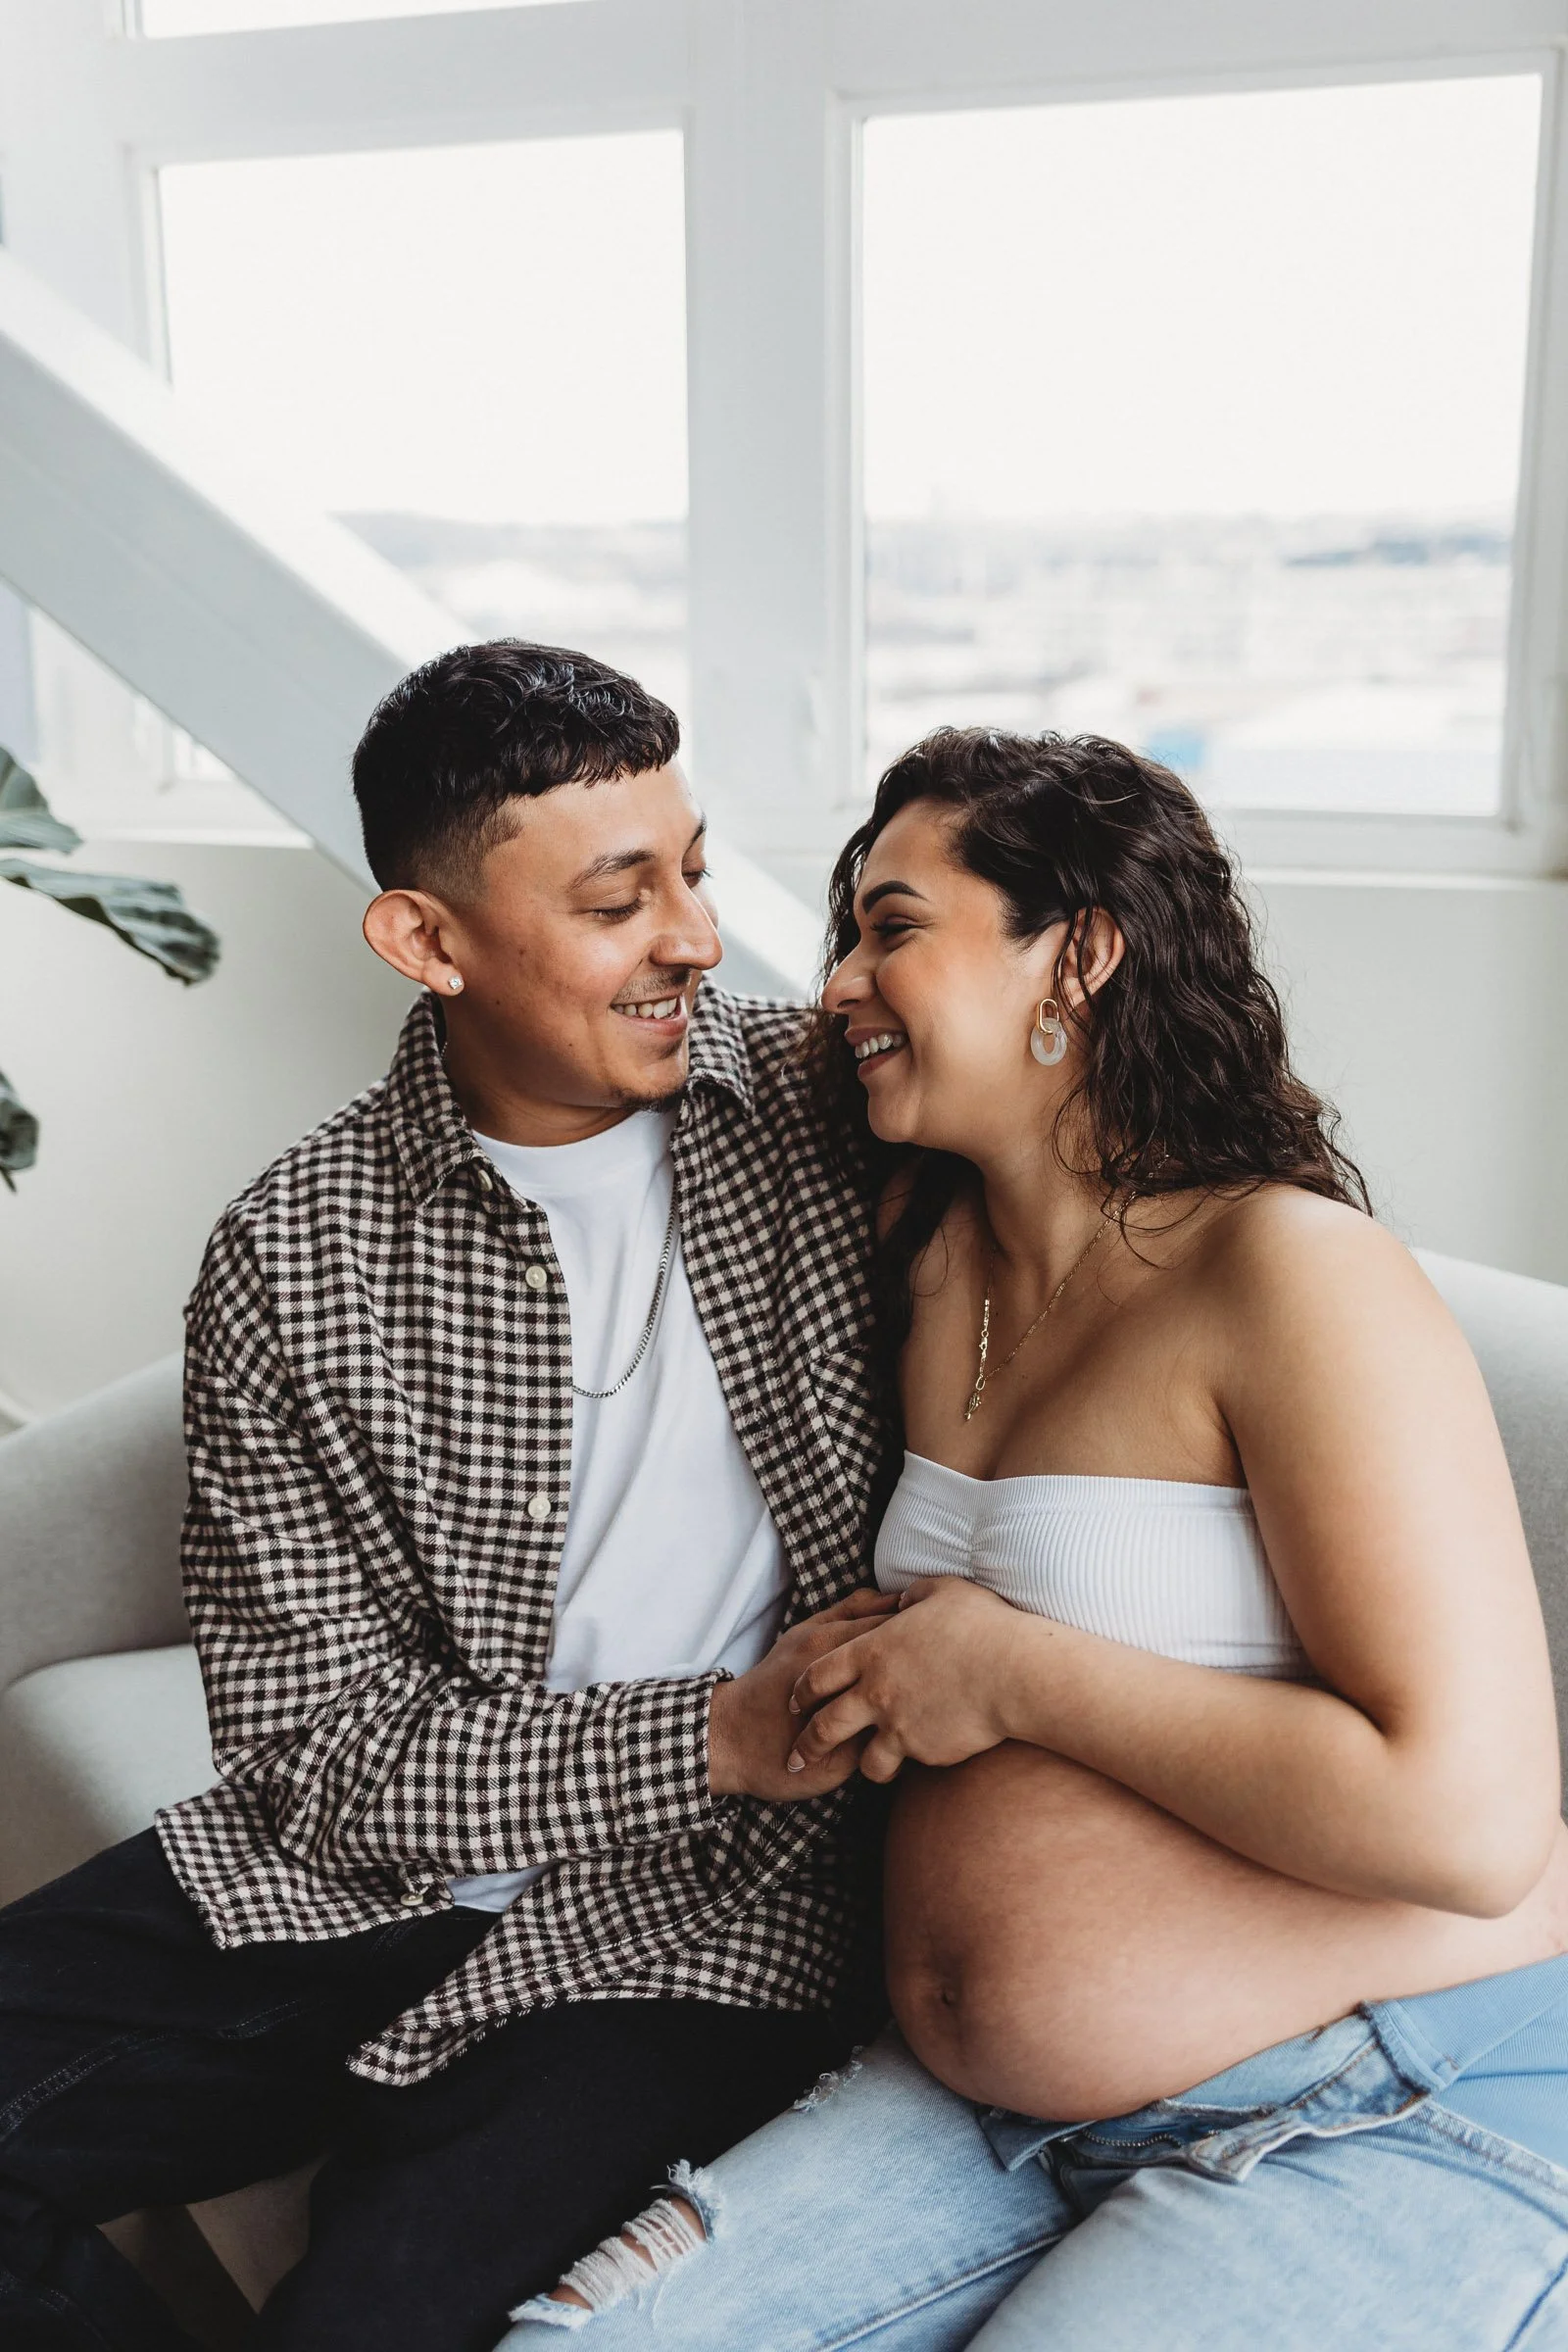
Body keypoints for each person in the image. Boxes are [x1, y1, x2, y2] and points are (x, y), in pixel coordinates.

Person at [500, 727, 1568, 2351]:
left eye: (896, 928)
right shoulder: (933, 1247)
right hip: (986, 2112)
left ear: (1078, 954)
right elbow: (634, 1058)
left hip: (1370, 2089)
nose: (844, 979)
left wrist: (1007, 1671)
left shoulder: (1290, 1274)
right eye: (848, 932)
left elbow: (1471, 1820)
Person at [0, 642, 901, 2352]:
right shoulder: (300, 1251)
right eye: (619, 901)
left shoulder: (832, 1115)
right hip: (346, 1882)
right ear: (425, 941)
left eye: (695, 876)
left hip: (705, 1912)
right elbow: (312, 1753)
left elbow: (1133, 1136)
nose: (698, 941)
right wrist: (712, 1724)